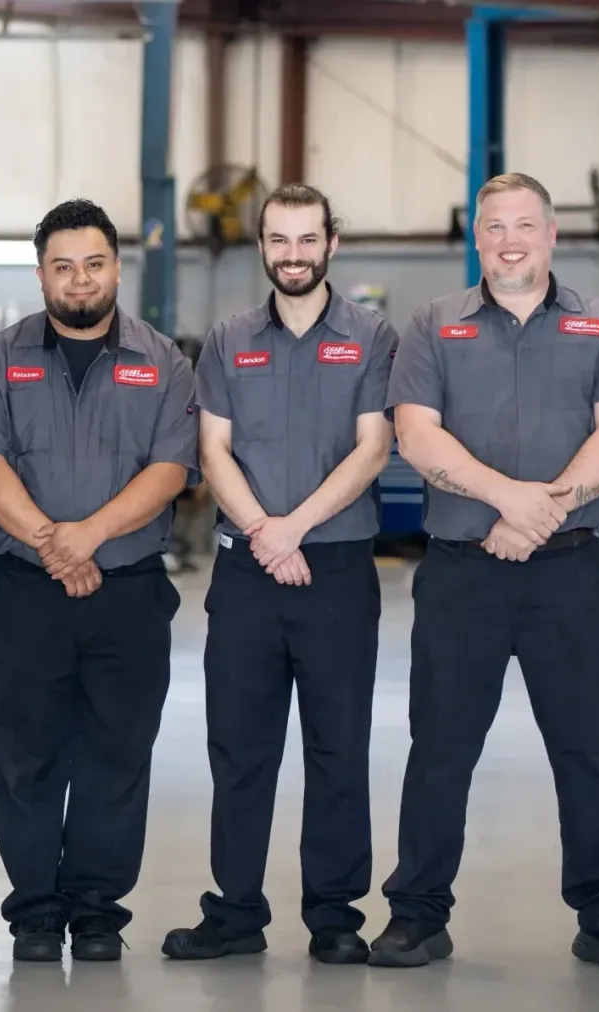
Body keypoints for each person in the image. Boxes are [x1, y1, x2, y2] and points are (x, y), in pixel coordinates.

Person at [373, 172, 599, 972]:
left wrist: (544, 513)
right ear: (477, 239)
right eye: (494, 227)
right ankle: (418, 913)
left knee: (590, 743)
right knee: (440, 745)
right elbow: (417, 437)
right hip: (463, 571)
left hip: (568, 571)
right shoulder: (433, 325)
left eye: (524, 225)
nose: (509, 240)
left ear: (552, 234)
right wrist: (513, 502)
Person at [0, 198, 197, 963]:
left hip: (127, 590)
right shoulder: (1, 356)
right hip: (26, 590)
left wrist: (88, 536)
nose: (79, 280)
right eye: (63, 266)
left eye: (93, 264)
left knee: (117, 750)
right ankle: (33, 910)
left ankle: (95, 910)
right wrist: (51, 543)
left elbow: (170, 469)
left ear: (116, 268)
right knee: (22, 749)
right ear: (41, 275)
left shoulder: (164, 360)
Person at [161, 184, 394, 965]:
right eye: (278, 240)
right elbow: (211, 449)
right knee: (239, 745)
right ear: (262, 245)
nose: (292, 254)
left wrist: (293, 528)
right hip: (247, 573)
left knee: (338, 746)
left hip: (335, 569)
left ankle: (334, 915)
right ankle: (234, 911)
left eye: (307, 239)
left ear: (332, 243)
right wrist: (265, 532)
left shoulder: (371, 336)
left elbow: (373, 449)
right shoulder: (228, 340)